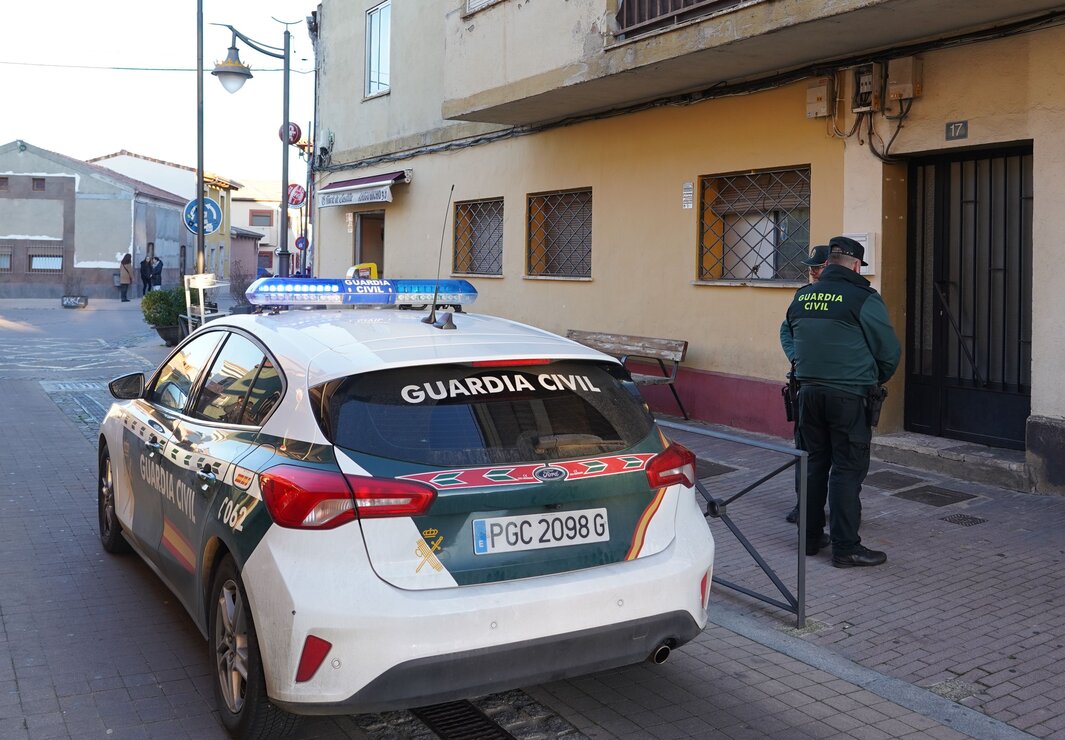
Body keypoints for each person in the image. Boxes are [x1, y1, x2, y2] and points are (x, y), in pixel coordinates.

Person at [779, 236, 900, 568]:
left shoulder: (803, 297)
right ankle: (846, 548)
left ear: (829, 263)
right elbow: (889, 352)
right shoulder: (864, 298)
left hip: (807, 394)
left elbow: (790, 333)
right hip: (849, 396)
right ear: (857, 265)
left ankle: (810, 539)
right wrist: (873, 377)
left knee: (814, 465)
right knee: (847, 470)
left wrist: (801, 364)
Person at [782, 244, 830, 525]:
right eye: (811, 266)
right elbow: (785, 330)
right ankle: (804, 506)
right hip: (805, 384)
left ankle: (844, 508)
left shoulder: (851, 298)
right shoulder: (803, 296)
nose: (812, 271)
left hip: (836, 387)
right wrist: (796, 357)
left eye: (818, 266)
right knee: (804, 449)